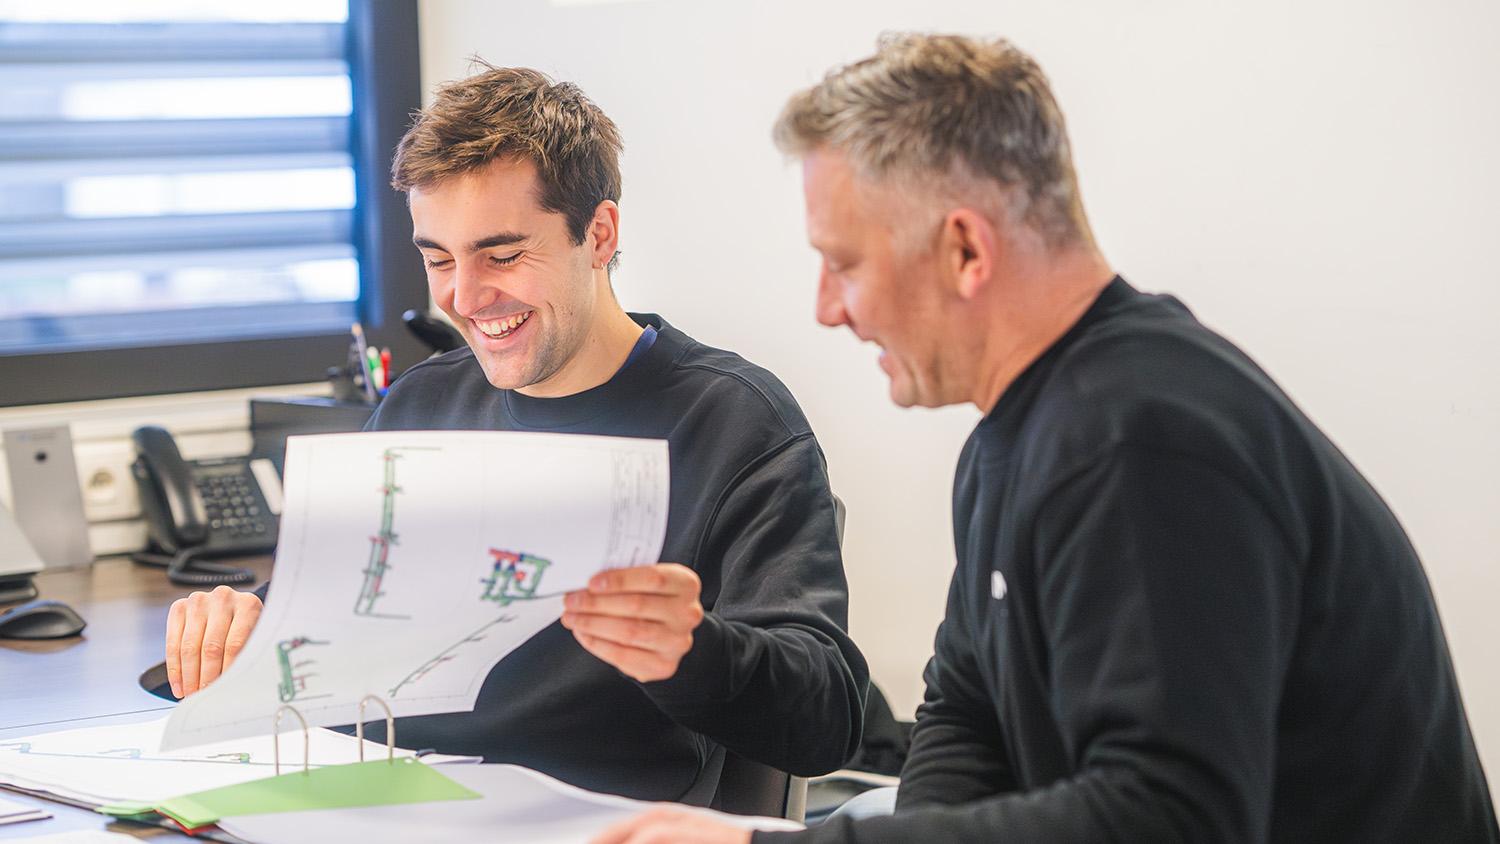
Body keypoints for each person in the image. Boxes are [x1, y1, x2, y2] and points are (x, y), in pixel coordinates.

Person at [596, 33, 1499, 843]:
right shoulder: (1017, 437)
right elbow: (965, 713)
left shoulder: (1139, 442)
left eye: (845, 264)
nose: (828, 309)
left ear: (966, 250)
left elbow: (1166, 816)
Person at [162, 64, 868, 803]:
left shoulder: (734, 425)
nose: (465, 297)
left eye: (501, 255)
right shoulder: (420, 405)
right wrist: (240, 622)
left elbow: (826, 721)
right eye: (438, 259)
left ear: (599, 235)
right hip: (372, 800)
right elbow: (319, 617)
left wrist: (691, 650)